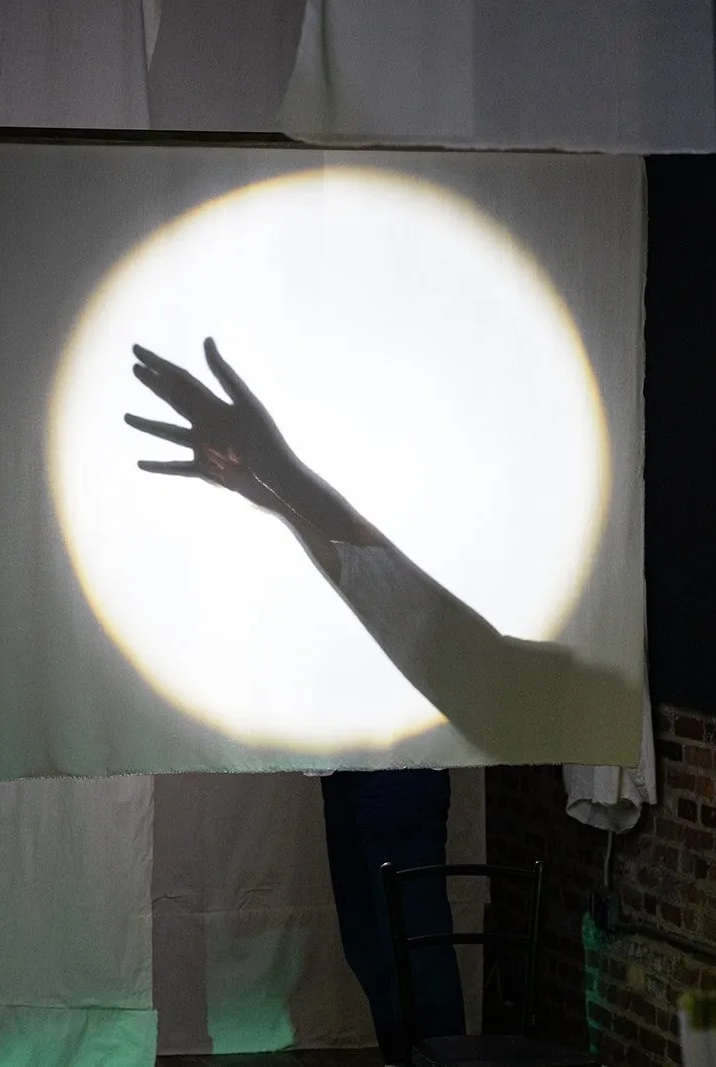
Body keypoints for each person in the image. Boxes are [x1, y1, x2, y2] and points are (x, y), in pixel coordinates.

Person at [125, 338, 465, 1064]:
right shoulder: (346, 500)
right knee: (374, 947)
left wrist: (273, 474)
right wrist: (267, 481)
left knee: (411, 949)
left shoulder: (416, 477)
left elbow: (396, 585)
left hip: (402, 759)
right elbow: (353, 571)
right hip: (354, 760)